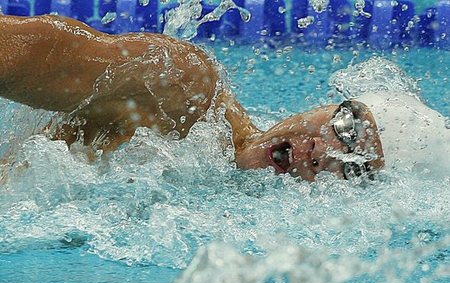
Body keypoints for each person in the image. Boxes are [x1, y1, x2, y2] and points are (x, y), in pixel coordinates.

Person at [0, 14, 403, 182]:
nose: (326, 150)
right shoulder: (185, 87)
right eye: (347, 127)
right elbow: (42, 51)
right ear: (324, 107)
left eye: (355, 168)